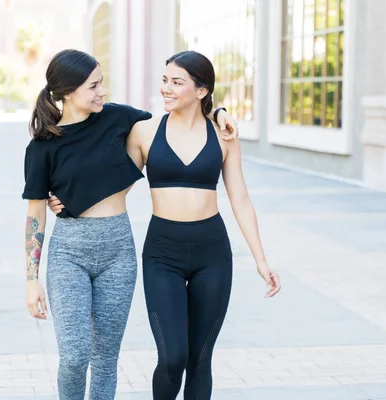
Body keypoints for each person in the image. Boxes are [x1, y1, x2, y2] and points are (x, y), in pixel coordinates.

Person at [50, 50, 281, 400]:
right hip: (162, 255)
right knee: (173, 357)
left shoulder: (224, 135)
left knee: (200, 359)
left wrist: (261, 260)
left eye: (177, 82)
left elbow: (241, 200)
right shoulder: (145, 131)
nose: (166, 89)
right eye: (164, 80)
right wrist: (67, 198)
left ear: (202, 91)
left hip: (212, 254)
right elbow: (113, 182)